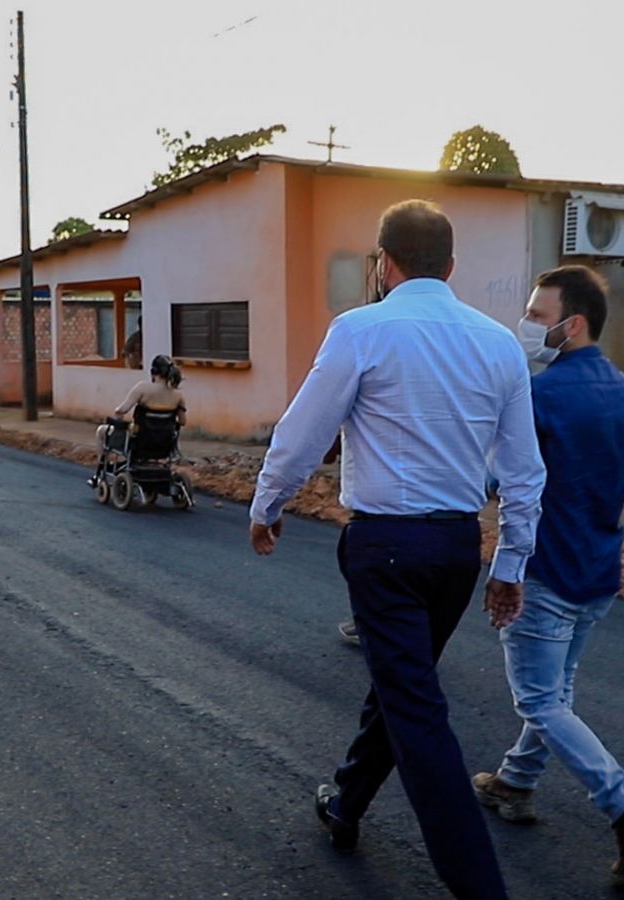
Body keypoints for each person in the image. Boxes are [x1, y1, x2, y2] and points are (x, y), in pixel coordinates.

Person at [249, 200, 544, 900]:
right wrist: (509, 563)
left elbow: (300, 435)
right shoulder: (499, 343)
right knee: (401, 684)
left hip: (383, 548)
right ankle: (346, 802)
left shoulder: (360, 330)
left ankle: (480, 887)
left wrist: (267, 507)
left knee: (417, 709)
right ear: (450, 266)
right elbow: (525, 472)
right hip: (455, 551)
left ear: (383, 263)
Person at [471, 266, 624, 882]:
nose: (527, 325)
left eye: (537, 316)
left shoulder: (542, 396)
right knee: (557, 689)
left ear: (574, 324)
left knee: (538, 696)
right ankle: (516, 781)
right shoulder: (623, 391)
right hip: (598, 567)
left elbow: (490, 480)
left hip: (545, 569)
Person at [90, 354, 185, 483]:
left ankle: (101, 471)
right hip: (164, 443)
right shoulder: (178, 396)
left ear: (153, 372)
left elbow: (121, 410)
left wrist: (118, 417)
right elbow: (183, 422)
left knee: (102, 430)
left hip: (140, 441)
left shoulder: (143, 388)